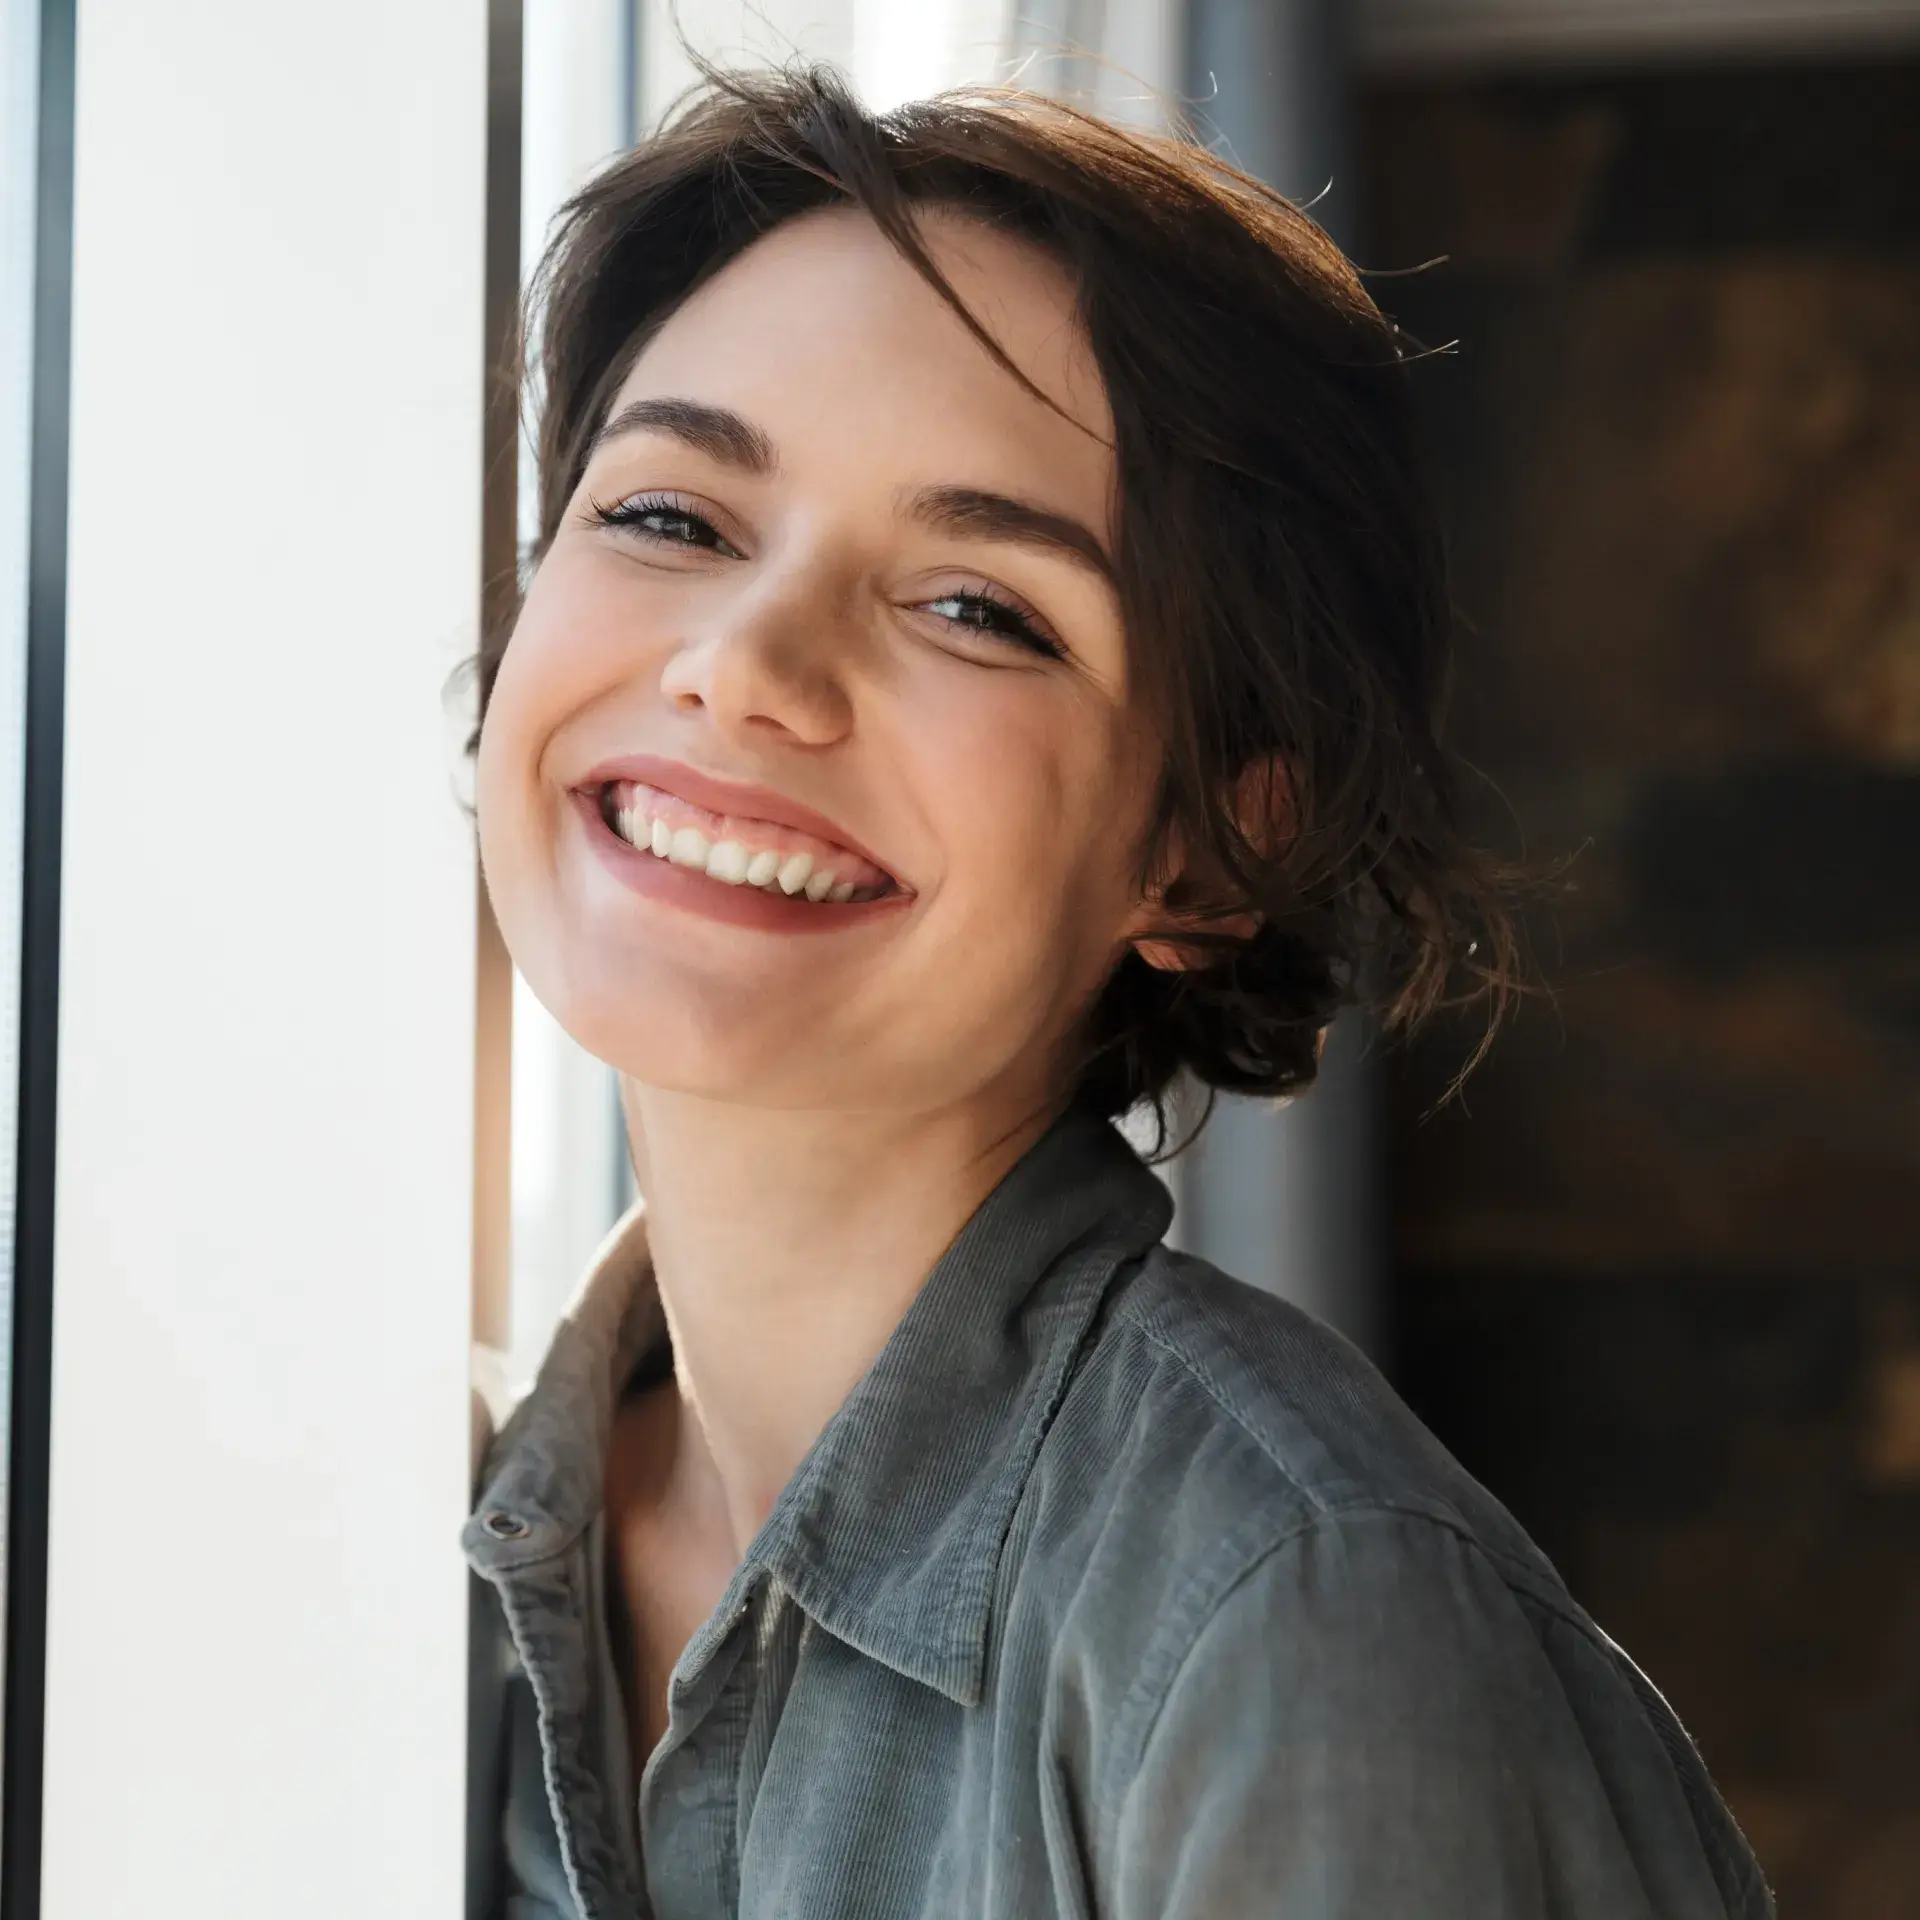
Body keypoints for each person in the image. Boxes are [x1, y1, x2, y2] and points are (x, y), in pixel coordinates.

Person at [463, 62, 1771, 1920]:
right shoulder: (429, 1558)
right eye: (671, 518)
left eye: (979, 607)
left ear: (1206, 849)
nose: (746, 666)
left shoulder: (1301, 1621)